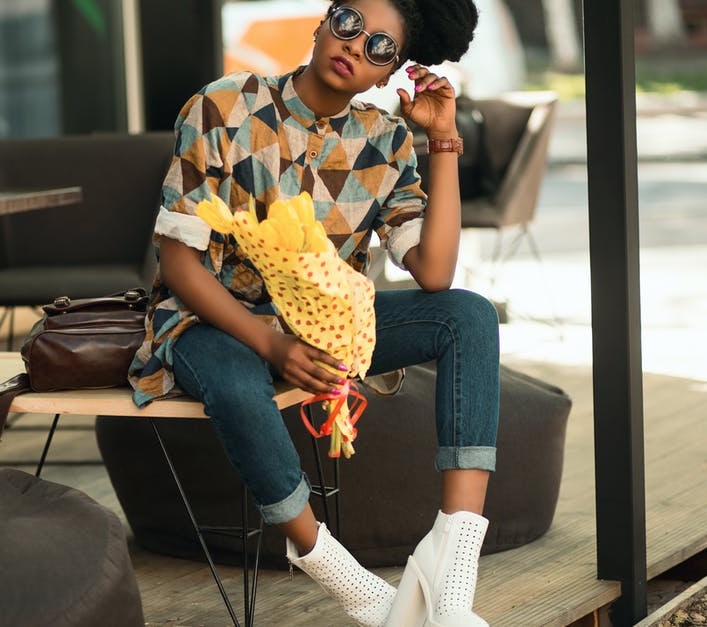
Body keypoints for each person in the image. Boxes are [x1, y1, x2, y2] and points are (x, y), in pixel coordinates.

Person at [128, 0, 498, 625]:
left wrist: (441, 139)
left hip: (325, 330)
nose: (356, 45)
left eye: (381, 47)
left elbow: (434, 271)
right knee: (237, 380)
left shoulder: (385, 143)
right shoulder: (224, 104)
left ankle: (452, 561)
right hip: (211, 321)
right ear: (323, 22)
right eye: (351, 23)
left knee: (469, 317)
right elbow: (179, 262)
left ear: (389, 74)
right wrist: (270, 345)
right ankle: (344, 577)